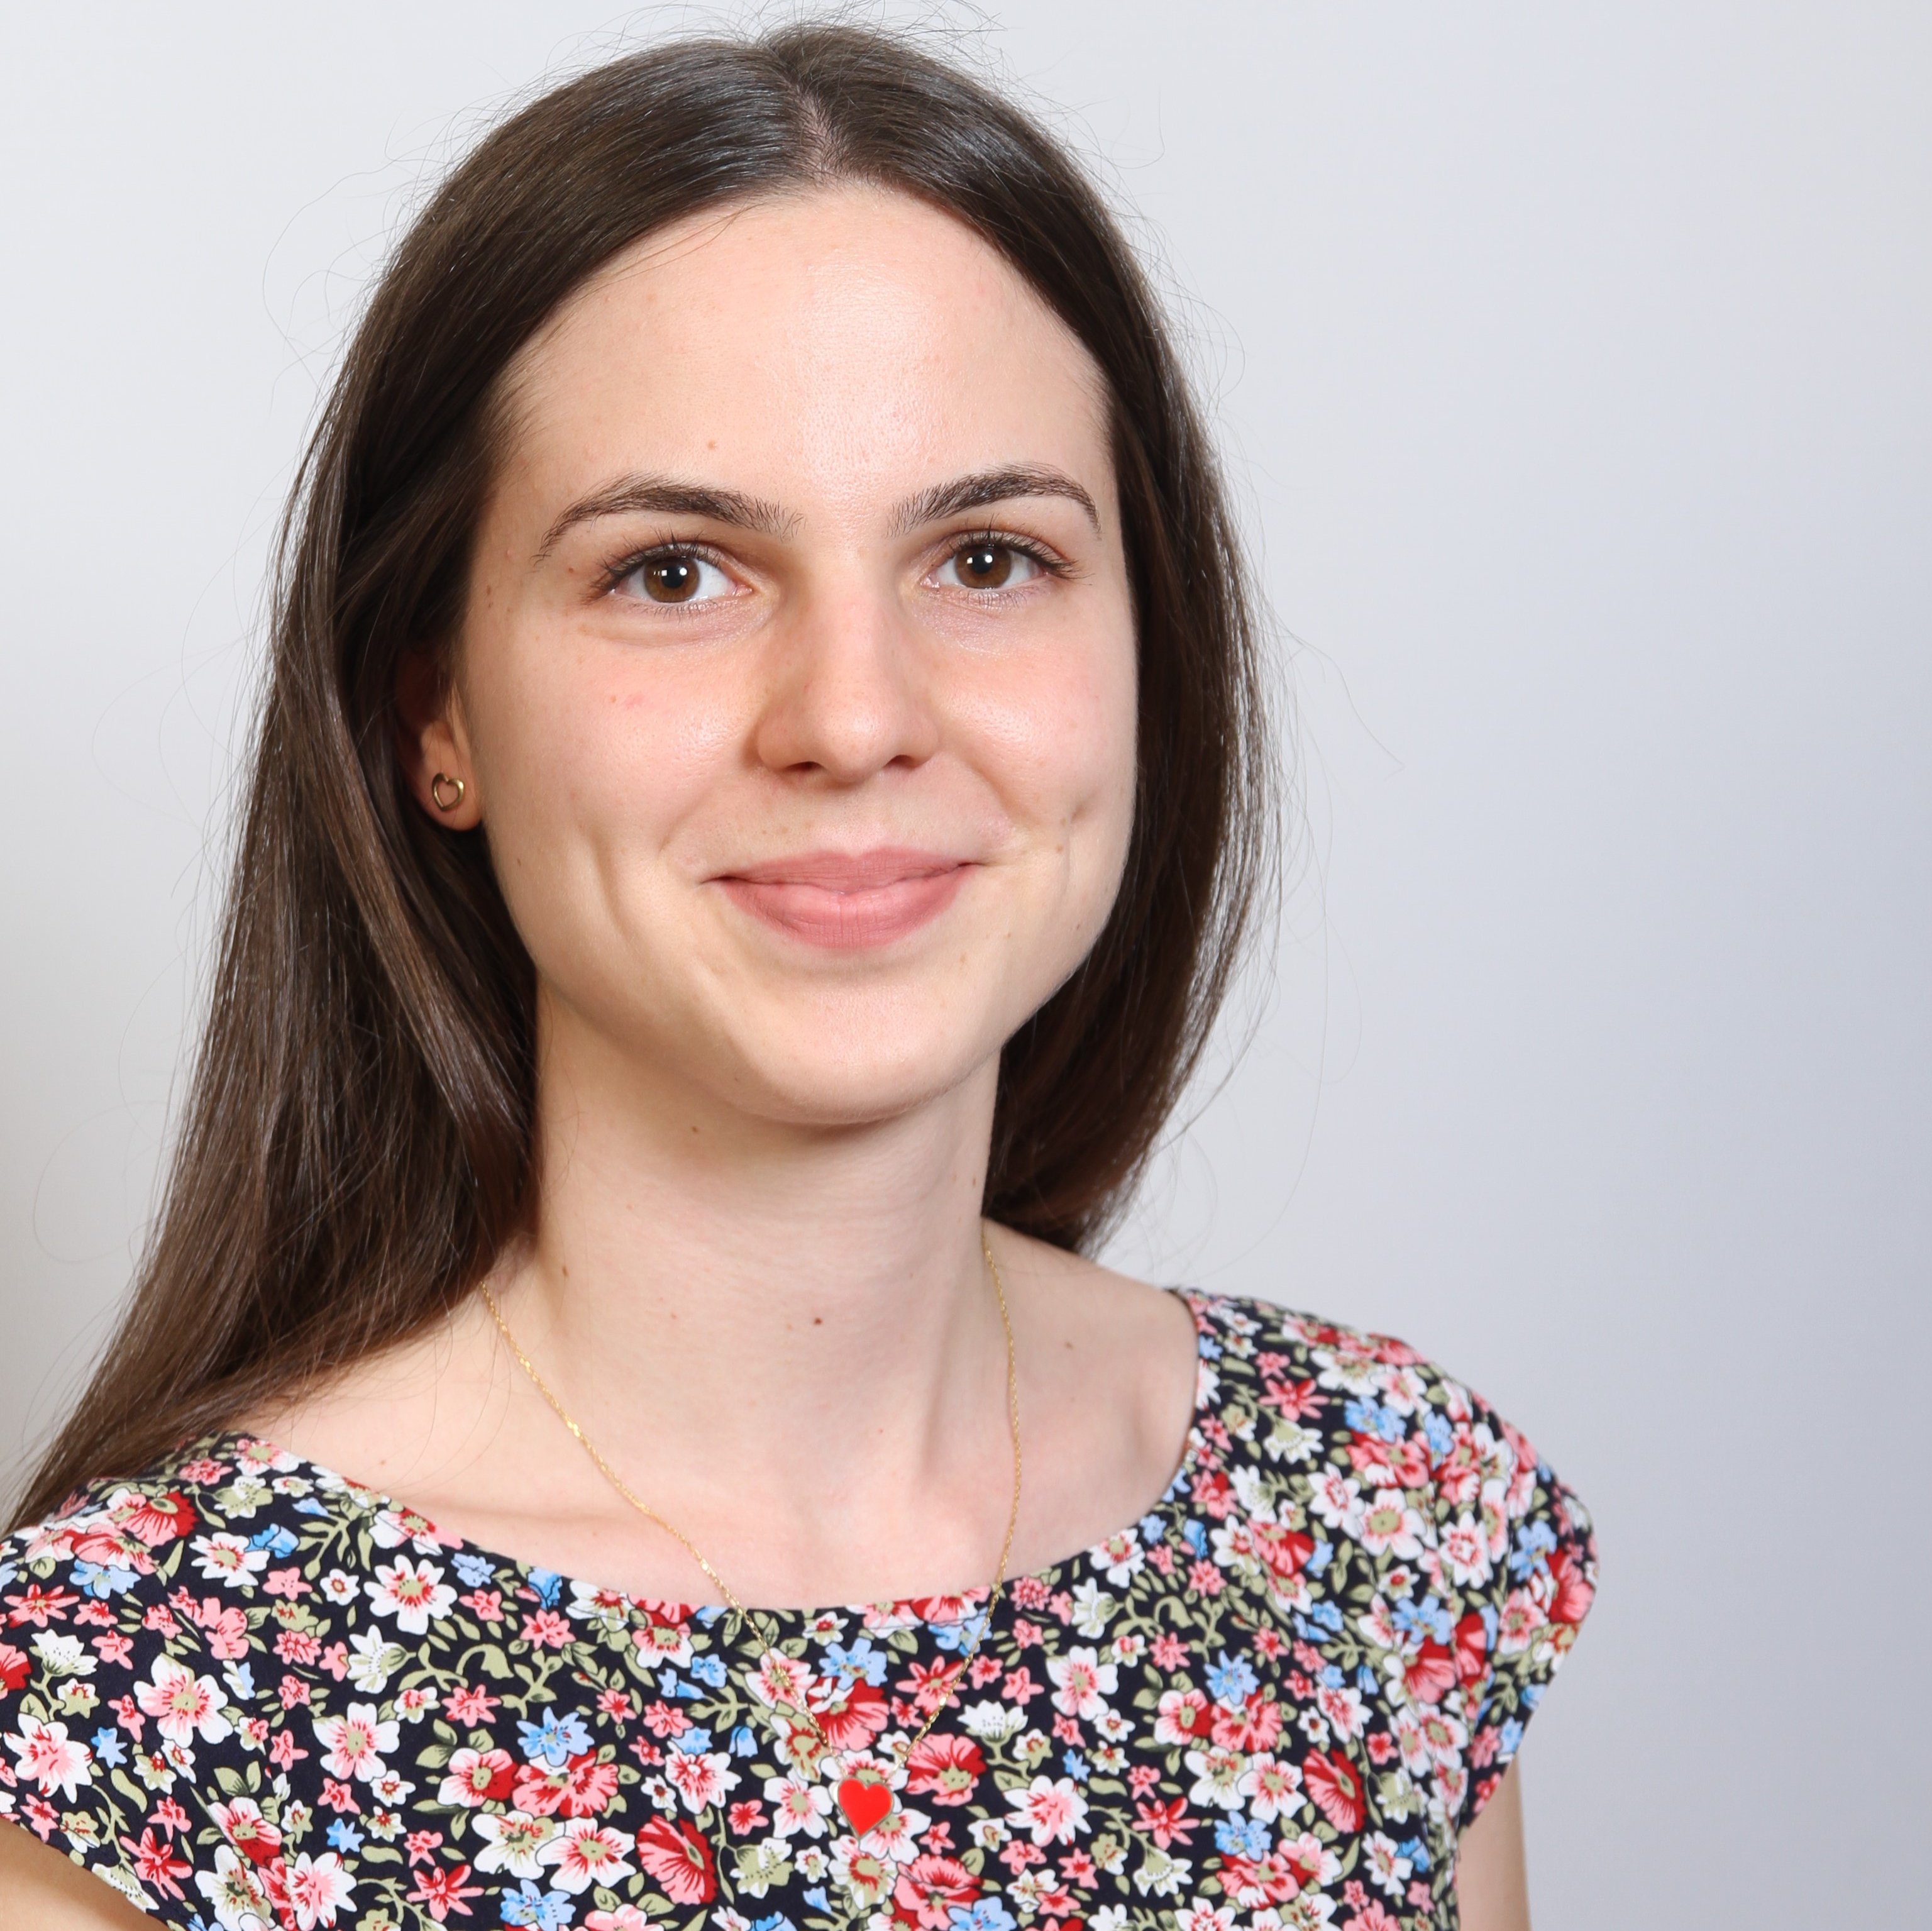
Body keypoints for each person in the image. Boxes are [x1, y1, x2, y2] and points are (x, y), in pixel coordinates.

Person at [0, 25, 1593, 1930]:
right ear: (434, 714)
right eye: (675, 572)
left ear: (1148, 654)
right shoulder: (138, 1707)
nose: (853, 716)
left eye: (987, 559)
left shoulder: (1377, 1527)